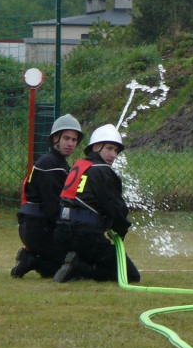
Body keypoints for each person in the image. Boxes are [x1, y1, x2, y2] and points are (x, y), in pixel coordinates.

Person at [52, 124, 140, 284]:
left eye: (116, 151)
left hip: (62, 235)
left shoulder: (79, 167)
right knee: (132, 275)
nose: (113, 155)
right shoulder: (102, 171)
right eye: (110, 148)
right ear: (97, 147)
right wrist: (120, 231)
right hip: (85, 236)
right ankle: (79, 268)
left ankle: (77, 265)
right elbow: (117, 210)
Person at [11, 114, 83, 278]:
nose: (70, 144)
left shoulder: (56, 163)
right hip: (38, 229)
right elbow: (53, 208)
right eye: (66, 138)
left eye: (74, 140)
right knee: (72, 268)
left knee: (67, 263)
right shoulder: (52, 165)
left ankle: (30, 259)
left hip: (32, 227)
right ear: (55, 139)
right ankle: (33, 261)